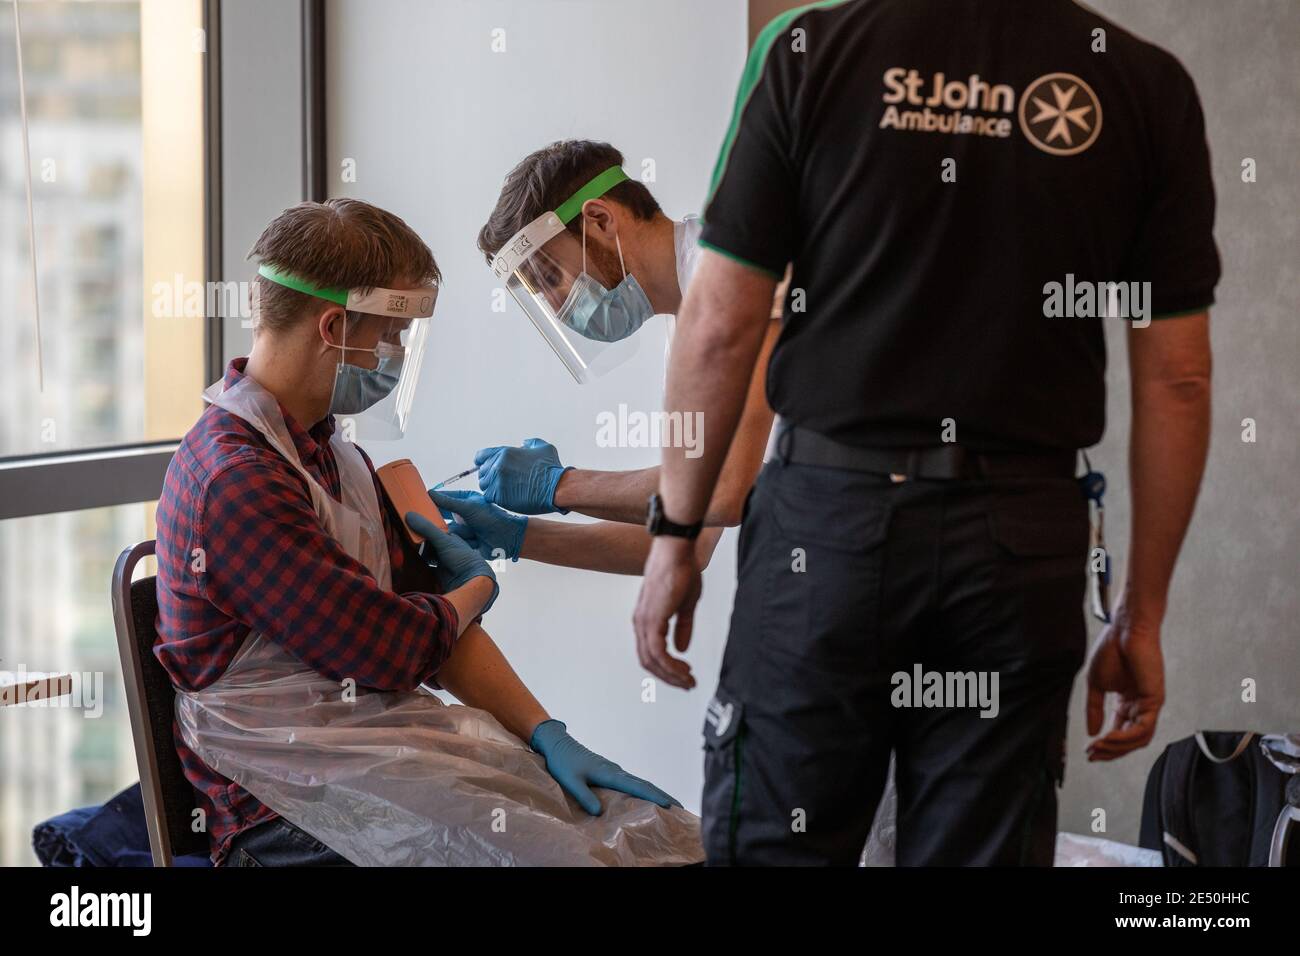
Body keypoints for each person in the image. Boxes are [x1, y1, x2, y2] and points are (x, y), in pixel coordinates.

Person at [633, 0, 1218, 865]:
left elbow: (719, 321)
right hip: (1019, 549)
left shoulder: (806, 49)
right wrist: (1139, 616)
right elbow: (1179, 377)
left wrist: (674, 536)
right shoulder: (1143, 83)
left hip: (825, 532)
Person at [154, 198, 681, 867]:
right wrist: (476, 588)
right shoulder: (234, 481)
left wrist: (547, 733)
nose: (399, 355)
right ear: (334, 325)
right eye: (394, 334)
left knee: (647, 837)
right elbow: (394, 647)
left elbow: (438, 635)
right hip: (280, 808)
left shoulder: (331, 455)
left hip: (368, 762)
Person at [434, 141, 781, 589]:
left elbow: (724, 490)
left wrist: (559, 486)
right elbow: (690, 538)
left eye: (551, 277)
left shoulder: (731, 265)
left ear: (599, 219)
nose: (557, 308)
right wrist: (518, 536)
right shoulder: (686, 330)